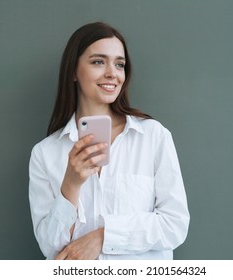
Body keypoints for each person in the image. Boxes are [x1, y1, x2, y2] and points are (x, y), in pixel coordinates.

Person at [28, 22, 190, 260]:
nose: (112, 73)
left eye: (119, 64)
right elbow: (50, 248)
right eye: (98, 61)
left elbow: (175, 225)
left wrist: (103, 237)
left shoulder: (153, 136)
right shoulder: (45, 153)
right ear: (73, 70)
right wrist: (71, 185)